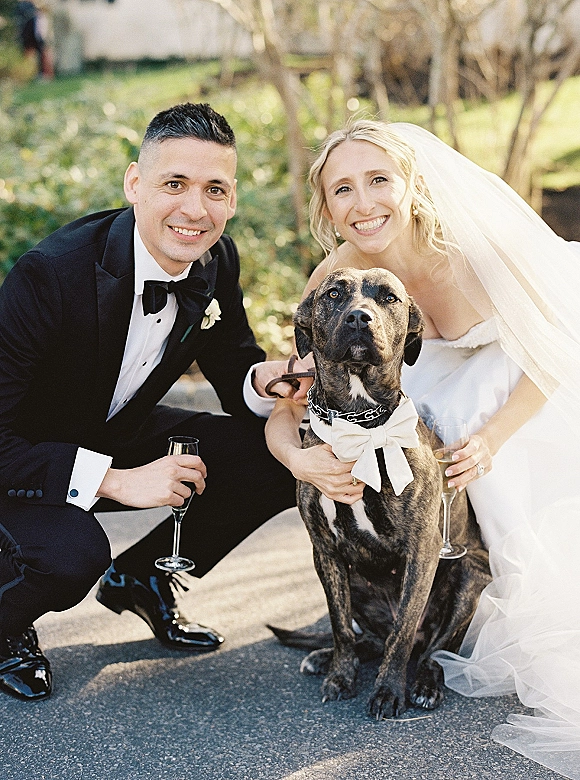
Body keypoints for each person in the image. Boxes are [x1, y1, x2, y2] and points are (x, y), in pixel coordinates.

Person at [263, 119, 580, 779]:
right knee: (412, 433)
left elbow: (556, 352)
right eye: (342, 189)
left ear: (413, 185)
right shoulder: (339, 275)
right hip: (433, 389)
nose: (364, 202)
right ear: (327, 208)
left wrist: (493, 439)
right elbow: (290, 393)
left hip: (527, 381)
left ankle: (453, 616)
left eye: (379, 180)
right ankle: (397, 613)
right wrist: (296, 456)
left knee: (468, 448)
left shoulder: (478, 251)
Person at [0, 102, 298, 702]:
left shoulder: (215, 260)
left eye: (215, 188)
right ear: (135, 182)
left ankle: (140, 578)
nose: (195, 209)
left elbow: (234, 358)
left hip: (110, 425)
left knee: (271, 454)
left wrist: (267, 380)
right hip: (21, 457)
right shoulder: (50, 277)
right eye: (175, 184)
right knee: (70, 555)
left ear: (233, 198)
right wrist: (115, 480)